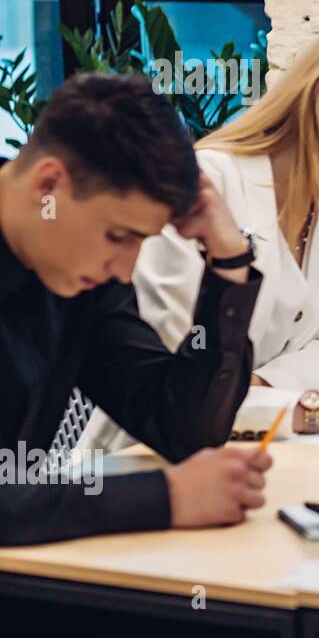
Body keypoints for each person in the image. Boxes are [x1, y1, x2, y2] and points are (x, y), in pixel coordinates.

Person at [81, 17, 319, 449]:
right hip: (140, 471)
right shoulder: (203, 191)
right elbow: (173, 389)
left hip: (269, 455)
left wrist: (252, 391)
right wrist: (318, 409)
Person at [0, 72, 270, 545]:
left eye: (142, 241)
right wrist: (165, 497)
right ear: (49, 184)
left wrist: (229, 261)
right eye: (120, 236)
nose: (125, 272)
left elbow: (180, 428)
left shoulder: (83, 277)